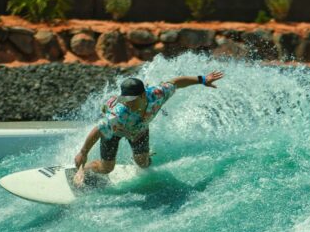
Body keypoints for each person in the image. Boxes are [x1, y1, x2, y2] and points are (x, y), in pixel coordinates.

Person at [74, 71, 224, 185]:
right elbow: (99, 130)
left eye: (131, 100)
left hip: (139, 130)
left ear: (143, 96)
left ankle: (145, 155)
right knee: (107, 168)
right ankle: (84, 169)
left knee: (143, 163)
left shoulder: (157, 94)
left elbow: (176, 82)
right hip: (114, 131)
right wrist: (83, 152)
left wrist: (202, 80)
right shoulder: (118, 113)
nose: (127, 103)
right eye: (125, 99)